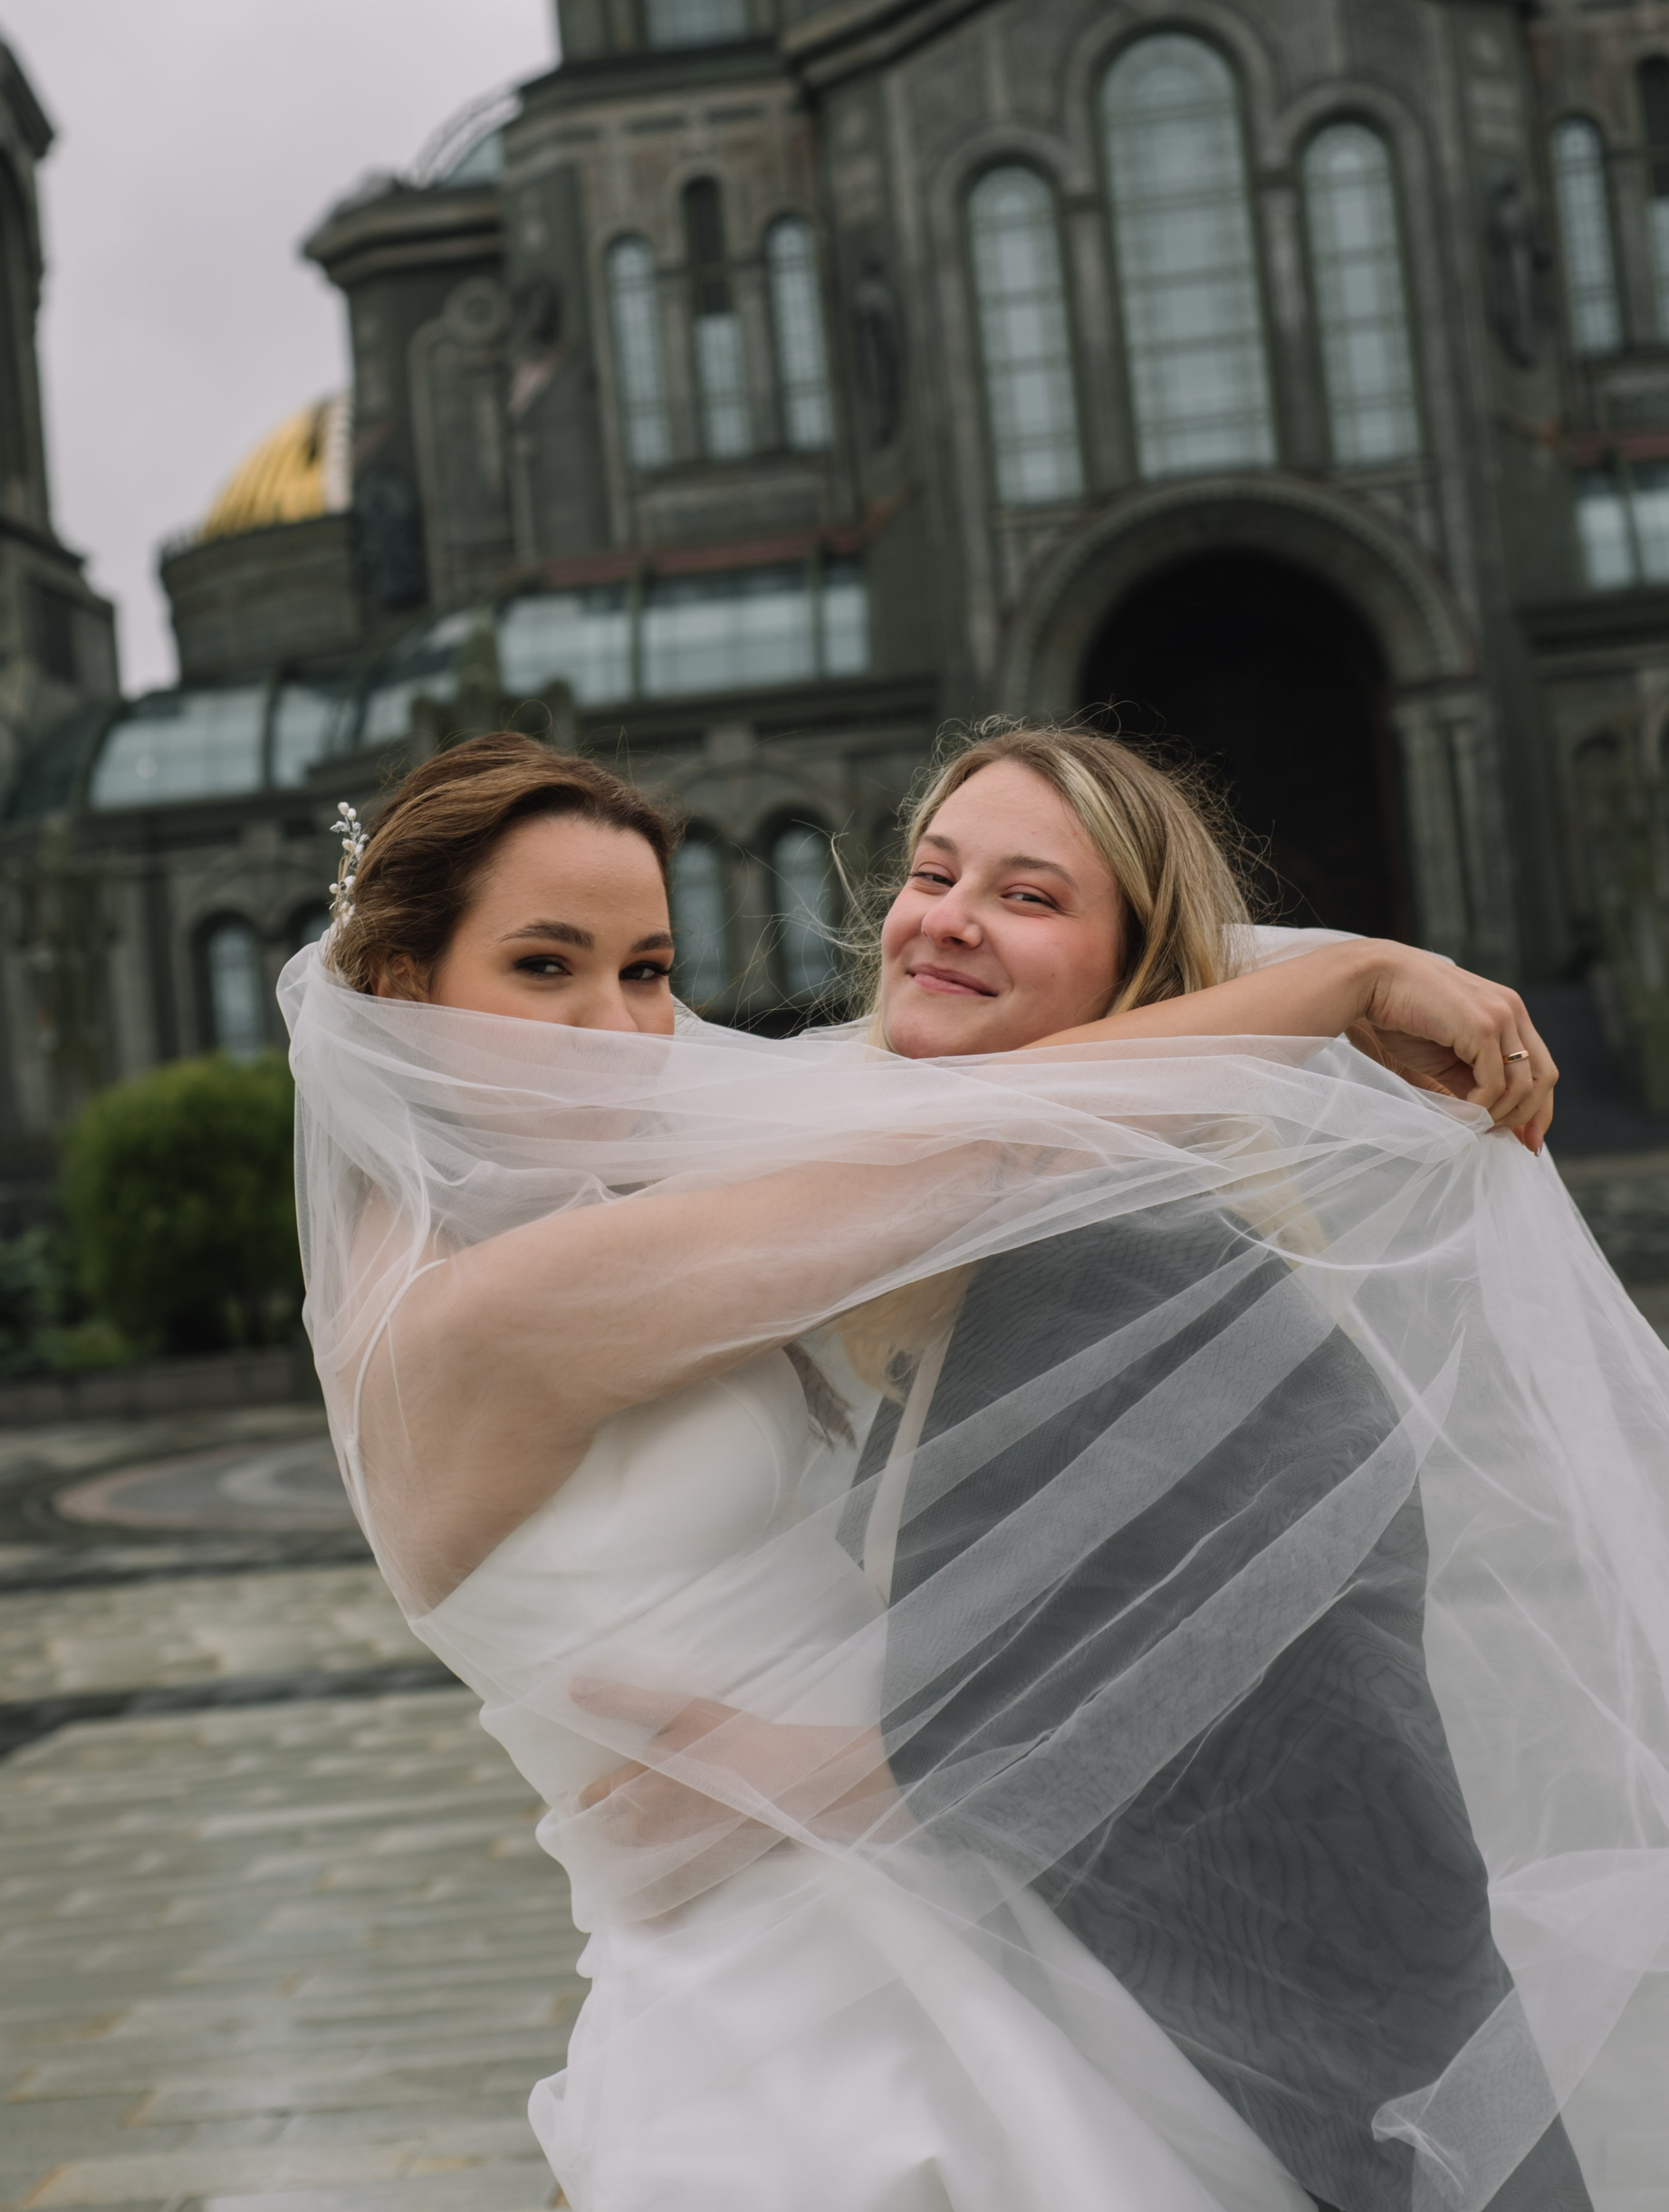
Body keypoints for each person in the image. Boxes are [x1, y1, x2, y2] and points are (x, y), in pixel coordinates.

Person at [280, 733, 1662, 2212]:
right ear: (400, 989)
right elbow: (999, 1149)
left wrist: (846, 1767)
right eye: (545, 967)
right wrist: (1344, 985)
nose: (621, 1031)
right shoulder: (476, 1322)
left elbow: (961, 1092)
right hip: (785, 1977)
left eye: (649, 970)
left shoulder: (588, 1206)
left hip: (931, 1896)